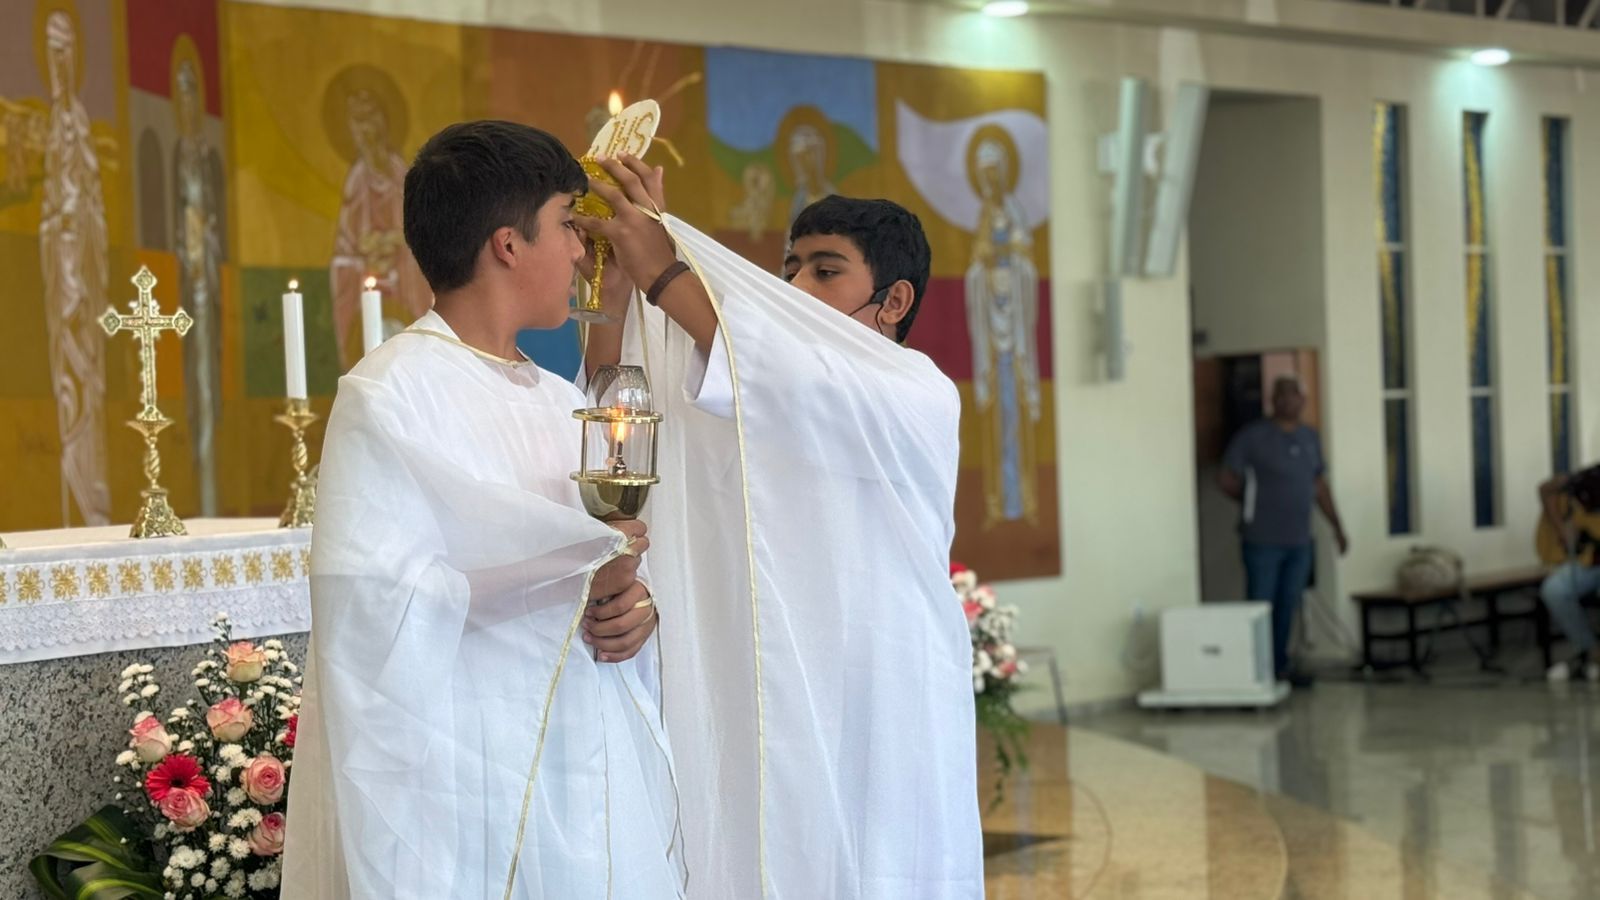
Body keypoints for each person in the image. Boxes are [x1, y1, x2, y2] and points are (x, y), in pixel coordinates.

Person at [282, 121, 680, 899]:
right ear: (507, 245)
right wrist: (576, 577)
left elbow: (606, 553)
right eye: (567, 224)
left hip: (584, 756)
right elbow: (372, 604)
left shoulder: (557, 399)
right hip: (468, 777)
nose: (581, 250)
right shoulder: (390, 393)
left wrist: (635, 605)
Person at [578, 165, 984, 899]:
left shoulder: (916, 389)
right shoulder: (751, 385)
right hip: (777, 673)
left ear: (894, 301)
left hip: (881, 686)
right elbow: (634, 408)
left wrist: (664, 265)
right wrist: (619, 296)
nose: (795, 286)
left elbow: (775, 367)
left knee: (882, 863)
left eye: (825, 271)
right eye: (789, 268)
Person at [1218, 375, 1348, 685]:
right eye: (1283, 395)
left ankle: (1278, 664)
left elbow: (1319, 485)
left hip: (1298, 540)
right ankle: (1254, 669)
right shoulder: (1253, 437)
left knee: (1288, 603)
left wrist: (1337, 526)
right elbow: (1226, 479)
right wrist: (1251, 501)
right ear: (1272, 400)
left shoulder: (1309, 437)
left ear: (1303, 401)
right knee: (1260, 605)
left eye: (1295, 395)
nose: (1289, 401)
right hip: (1262, 540)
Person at [1539, 464, 1600, 682]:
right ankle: (1590, 650)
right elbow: (1545, 490)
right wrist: (1561, 529)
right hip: (1591, 560)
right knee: (1554, 589)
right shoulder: (1590, 478)